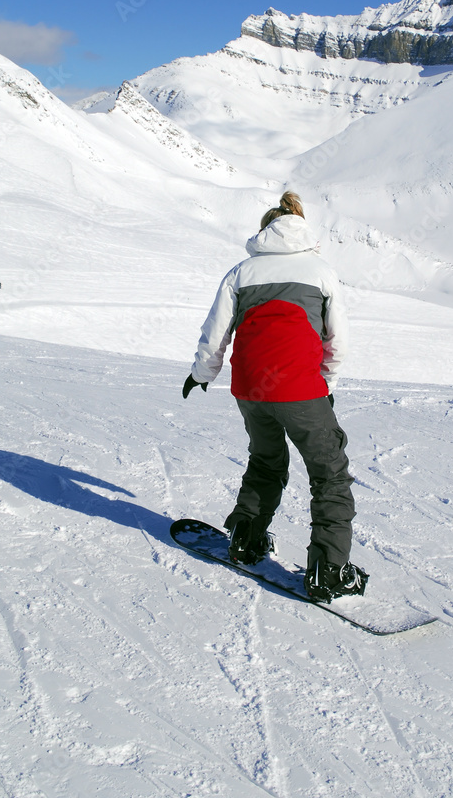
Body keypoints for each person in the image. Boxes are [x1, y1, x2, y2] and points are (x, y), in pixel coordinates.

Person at [182, 191, 367, 602]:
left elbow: (216, 334)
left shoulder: (241, 272)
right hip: (300, 389)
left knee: (266, 461)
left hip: (249, 389)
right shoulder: (321, 271)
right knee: (329, 474)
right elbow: (338, 341)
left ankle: (245, 538)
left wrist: (201, 374)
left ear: (266, 229)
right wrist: (325, 386)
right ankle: (330, 571)